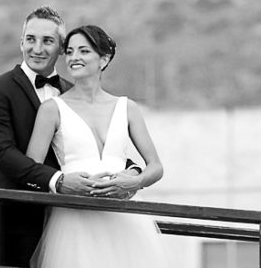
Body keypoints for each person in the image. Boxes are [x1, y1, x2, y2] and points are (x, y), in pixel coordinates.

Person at [0, 6, 140, 267]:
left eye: (48, 41)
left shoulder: (70, 91)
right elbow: (3, 154)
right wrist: (58, 181)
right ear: (21, 43)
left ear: (62, 48)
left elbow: (95, 146)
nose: (37, 48)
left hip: (81, 219)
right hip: (25, 219)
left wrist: (132, 172)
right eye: (30, 39)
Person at [25, 24, 166, 268]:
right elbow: (31, 169)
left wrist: (134, 181)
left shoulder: (127, 107)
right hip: (74, 219)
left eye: (84, 51)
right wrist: (63, 183)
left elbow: (155, 166)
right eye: (69, 51)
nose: (74, 57)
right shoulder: (52, 109)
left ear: (103, 59)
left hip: (126, 219)